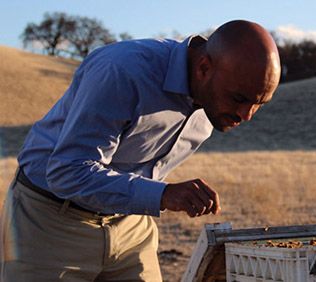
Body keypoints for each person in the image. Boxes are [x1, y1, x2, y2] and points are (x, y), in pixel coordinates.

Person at [0, 20, 281, 281]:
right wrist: (164, 194)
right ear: (204, 67)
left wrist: (153, 196)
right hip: (49, 221)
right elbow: (67, 172)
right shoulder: (122, 71)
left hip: (131, 223)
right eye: (239, 99)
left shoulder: (217, 98)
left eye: (260, 103)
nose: (247, 115)